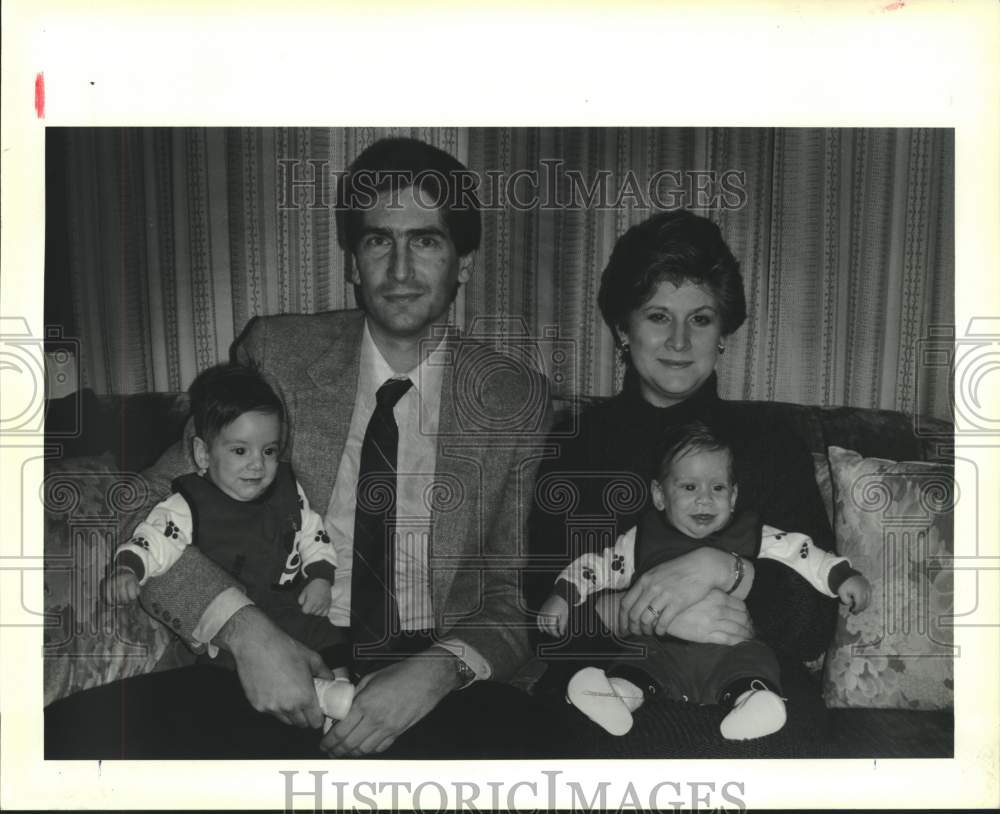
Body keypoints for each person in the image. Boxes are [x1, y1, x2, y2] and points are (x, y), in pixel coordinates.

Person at [45, 137, 559, 759]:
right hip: (280, 650)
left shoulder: (514, 398)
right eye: (377, 241)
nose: (399, 270)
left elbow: (510, 597)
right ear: (352, 261)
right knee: (68, 743)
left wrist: (439, 671)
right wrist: (243, 631)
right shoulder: (279, 356)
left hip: (431, 674)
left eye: (425, 240)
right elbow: (145, 502)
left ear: (463, 264)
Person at [527, 209, 843, 753]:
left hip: (754, 687)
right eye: (657, 316)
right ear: (624, 329)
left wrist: (726, 570)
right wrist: (638, 613)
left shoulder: (771, 444)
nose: (678, 340)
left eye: (699, 319)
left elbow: (813, 624)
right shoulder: (579, 443)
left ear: (723, 332)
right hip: (606, 685)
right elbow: (541, 606)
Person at [537, 421, 870, 740]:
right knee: (638, 662)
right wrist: (565, 594)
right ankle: (616, 698)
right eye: (689, 487)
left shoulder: (753, 534)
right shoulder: (639, 541)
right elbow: (598, 567)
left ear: (734, 496)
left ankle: (755, 705)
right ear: (659, 495)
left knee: (756, 662)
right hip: (661, 650)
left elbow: (802, 552)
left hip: (733, 648)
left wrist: (841, 576)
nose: (705, 498)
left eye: (718, 487)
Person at [102, 363, 348, 672]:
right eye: (240, 451)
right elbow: (154, 539)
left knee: (331, 642)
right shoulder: (188, 504)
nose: (257, 465)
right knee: (221, 669)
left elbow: (313, 531)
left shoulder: (288, 490)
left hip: (291, 608)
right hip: (234, 622)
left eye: (269, 451)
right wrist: (129, 568)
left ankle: (338, 692)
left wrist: (321, 577)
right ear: (204, 455)